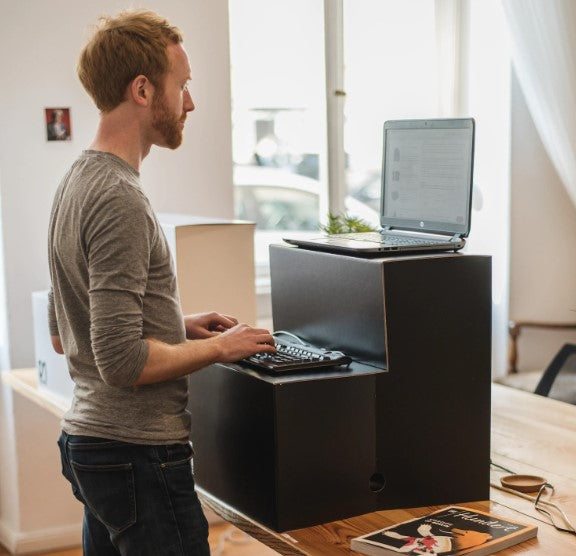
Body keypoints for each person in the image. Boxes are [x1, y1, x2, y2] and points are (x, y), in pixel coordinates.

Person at [47, 10, 276, 556]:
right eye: (184, 86)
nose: (190, 103)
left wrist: (179, 324)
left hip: (94, 445)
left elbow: (65, 332)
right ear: (144, 89)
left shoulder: (75, 182)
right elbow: (121, 360)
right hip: (137, 454)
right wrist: (222, 348)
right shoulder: (119, 198)